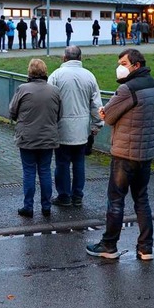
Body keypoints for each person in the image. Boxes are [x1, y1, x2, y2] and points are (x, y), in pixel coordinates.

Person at [86, 48, 154, 260]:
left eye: (124, 63)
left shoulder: (128, 89)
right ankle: (146, 247)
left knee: (116, 200)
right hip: (145, 153)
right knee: (142, 200)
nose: (120, 67)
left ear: (136, 66)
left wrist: (106, 113)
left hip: (124, 155)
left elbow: (108, 117)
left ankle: (109, 245)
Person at [48, 46, 103, 207]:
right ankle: (77, 195)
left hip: (61, 127)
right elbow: (96, 104)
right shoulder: (89, 76)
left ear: (64, 57)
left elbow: (50, 101)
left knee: (62, 163)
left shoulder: (56, 76)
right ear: (80, 58)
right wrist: (96, 125)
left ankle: (64, 195)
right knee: (79, 163)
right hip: (81, 128)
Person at [9, 58, 61, 218]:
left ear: (30, 72)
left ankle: (28, 207)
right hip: (48, 137)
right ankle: (46, 207)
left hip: (27, 137)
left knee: (29, 172)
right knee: (45, 171)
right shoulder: (54, 90)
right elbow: (60, 115)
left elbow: (12, 111)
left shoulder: (23, 89)